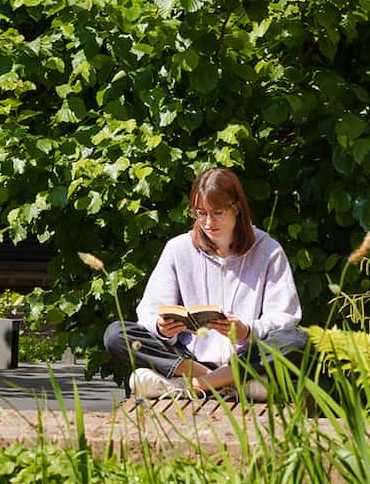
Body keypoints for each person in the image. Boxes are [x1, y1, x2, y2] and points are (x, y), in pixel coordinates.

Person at [103, 166, 307, 402]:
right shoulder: (178, 248)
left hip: (244, 357)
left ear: (237, 208)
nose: (208, 222)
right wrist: (161, 328)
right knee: (115, 334)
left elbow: (285, 317)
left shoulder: (268, 250)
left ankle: (192, 386)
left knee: (296, 340)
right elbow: (148, 311)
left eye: (218, 213)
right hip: (189, 359)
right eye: (200, 213)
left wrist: (246, 331)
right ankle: (227, 383)